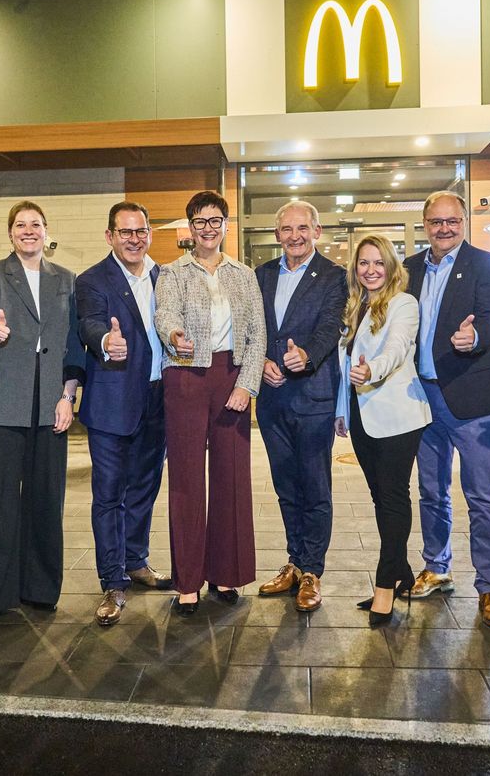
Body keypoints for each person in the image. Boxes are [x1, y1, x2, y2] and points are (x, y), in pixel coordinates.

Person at [0, 200, 84, 635]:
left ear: (46, 231)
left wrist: (66, 396)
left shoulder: (67, 281)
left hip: (50, 403)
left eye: (35, 224)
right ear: (10, 233)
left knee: (45, 501)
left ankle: (40, 589)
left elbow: (74, 346)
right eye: (20, 225)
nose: (28, 231)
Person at [403, 190, 490, 628]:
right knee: (431, 491)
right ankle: (437, 566)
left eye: (452, 221)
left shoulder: (486, 265)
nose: (444, 228)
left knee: (482, 497)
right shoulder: (409, 268)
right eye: (435, 222)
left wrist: (478, 337)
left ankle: (489, 588)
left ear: (463, 221)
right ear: (425, 224)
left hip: (471, 397)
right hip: (421, 397)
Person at [154, 190, 266, 615]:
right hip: (185, 373)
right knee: (185, 479)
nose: (208, 228)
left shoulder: (244, 274)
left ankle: (226, 574)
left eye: (215, 219)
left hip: (231, 377)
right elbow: (164, 315)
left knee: (232, 478)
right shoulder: (172, 272)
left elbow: (257, 335)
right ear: (190, 227)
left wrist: (247, 385)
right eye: (200, 221)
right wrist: (174, 335)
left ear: (225, 224)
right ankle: (188, 581)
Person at [75, 201, 171, 627]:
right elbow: (89, 323)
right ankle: (112, 579)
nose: (134, 238)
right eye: (125, 231)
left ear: (149, 233)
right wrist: (104, 342)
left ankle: (136, 561)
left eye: (141, 231)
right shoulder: (92, 279)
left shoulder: (164, 276)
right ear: (110, 235)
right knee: (109, 495)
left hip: (158, 399)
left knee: (145, 489)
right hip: (112, 403)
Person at [335, 234, 431, 627]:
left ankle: (385, 585)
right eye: (363, 263)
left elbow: (396, 347)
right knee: (380, 498)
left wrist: (372, 370)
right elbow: (346, 366)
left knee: (393, 498)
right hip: (361, 413)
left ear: (391, 267)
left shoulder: (404, 304)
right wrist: (342, 410)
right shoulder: (356, 306)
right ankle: (402, 571)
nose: (370, 270)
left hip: (398, 416)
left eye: (378, 263)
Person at [254, 200, 346, 612]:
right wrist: (260, 362)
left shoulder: (334, 276)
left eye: (302, 228)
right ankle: (294, 560)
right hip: (272, 398)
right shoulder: (261, 275)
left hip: (313, 397)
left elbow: (331, 326)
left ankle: (313, 570)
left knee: (315, 486)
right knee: (285, 485)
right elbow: (250, 328)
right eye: (287, 229)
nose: (295, 235)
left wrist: (306, 354)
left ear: (317, 231)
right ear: (277, 235)